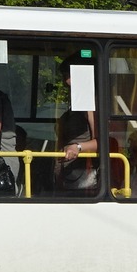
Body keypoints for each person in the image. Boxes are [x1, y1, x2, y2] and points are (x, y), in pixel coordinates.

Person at [56, 55, 98, 191]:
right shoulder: (75, 104)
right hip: (66, 173)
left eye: (68, 76)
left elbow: (101, 142)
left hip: (81, 175)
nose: (65, 82)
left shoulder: (89, 105)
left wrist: (77, 147)